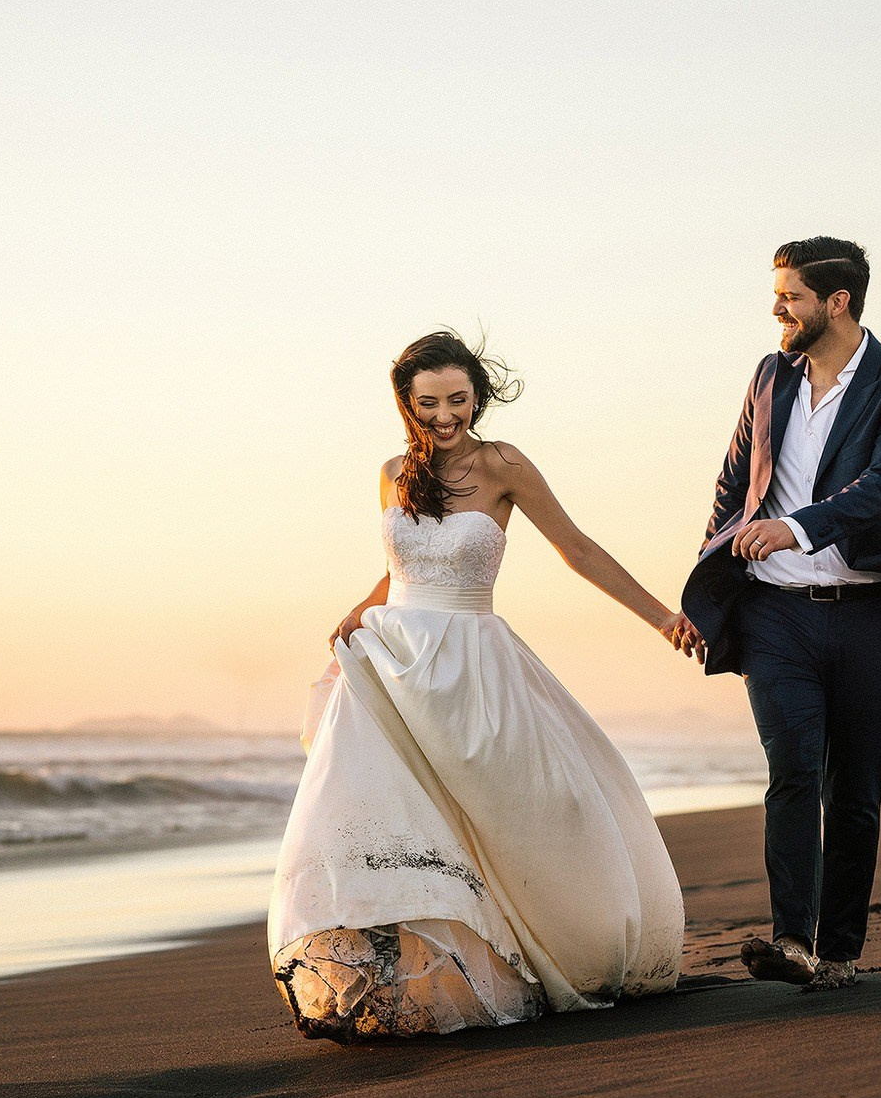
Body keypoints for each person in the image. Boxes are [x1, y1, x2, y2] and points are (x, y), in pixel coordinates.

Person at [268, 330, 692, 1040]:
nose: (443, 415)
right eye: (427, 402)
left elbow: (577, 548)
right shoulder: (393, 470)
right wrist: (360, 606)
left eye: (457, 400)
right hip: (391, 659)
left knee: (516, 816)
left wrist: (661, 618)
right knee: (386, 808)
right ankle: (409, 976)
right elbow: (403, 563)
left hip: (474, 665)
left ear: (477, 397)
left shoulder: (505, 465)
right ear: (407, 403)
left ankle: (547, 950)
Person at [680, 238, 881, 992]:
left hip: (870, 617)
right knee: (791, 774)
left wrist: (798, 527)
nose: (776, 309)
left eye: (789, 296)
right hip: (775, 617)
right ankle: (790, 940)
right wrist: (712, 583)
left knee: (854, 793)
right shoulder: (769, 376)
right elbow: (733, 487)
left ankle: (840, 952)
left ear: (837, 302)